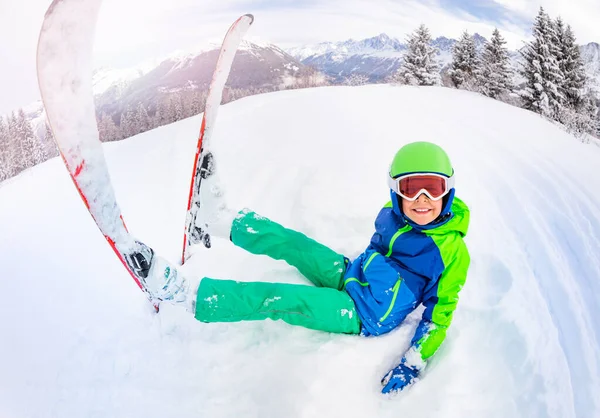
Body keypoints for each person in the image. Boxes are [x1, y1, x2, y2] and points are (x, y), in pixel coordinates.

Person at [148, 141, 470, 394]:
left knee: (281, 298)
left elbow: (439, 318)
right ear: (395, 191)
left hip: (362, 313)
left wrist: (412, 362)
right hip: (351, 274)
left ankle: (191, 295)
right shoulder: (393, 213)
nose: (423, 199)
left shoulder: (451, 253)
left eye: (434, 188)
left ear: (448, 190)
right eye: (412, 188)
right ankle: (220, 221)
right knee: (296, 244)